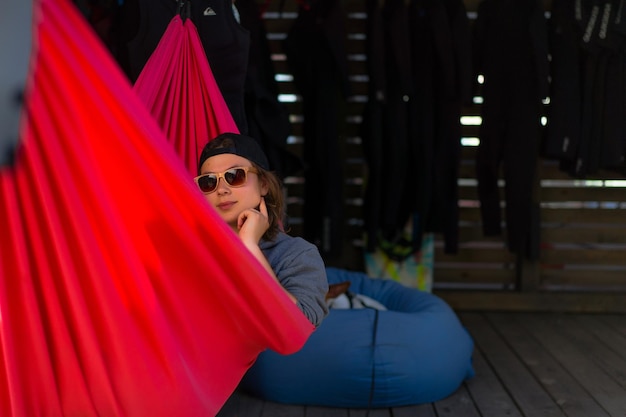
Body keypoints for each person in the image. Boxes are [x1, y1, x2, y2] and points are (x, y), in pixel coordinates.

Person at [195, 132, 329, 327]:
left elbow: (299, 326)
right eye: (209, 181)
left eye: (235, 175)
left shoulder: (296, 254)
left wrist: (250, 248)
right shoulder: (189, 249)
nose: (221, 189)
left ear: (263, 184)